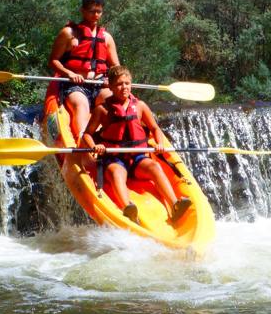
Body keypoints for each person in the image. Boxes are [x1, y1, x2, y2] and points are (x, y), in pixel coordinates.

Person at [80, 65, 192, 224]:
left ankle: (175, 204)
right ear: (110, 86)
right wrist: (95, 147)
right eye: (119, 84)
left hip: (137, 158)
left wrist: (159, 143)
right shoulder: (102, 109)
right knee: (115, 173)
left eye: (126, 83)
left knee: (154, 167)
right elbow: (87, 134)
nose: (123, 87)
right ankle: (128, 208)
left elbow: (155, 128)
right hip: (114, 158)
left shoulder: (140, 106)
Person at [49, 0, 119, 137]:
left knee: (114, 103)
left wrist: (111, 79)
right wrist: (70, 74)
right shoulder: (69, 33)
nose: (96, 15)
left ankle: (115, 138)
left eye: (99, 11)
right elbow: (53, 60)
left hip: (99, 84)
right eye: (92, 11)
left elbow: (116, 67)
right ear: (83, 11)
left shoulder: (106, 38)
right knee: (81, 105)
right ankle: (83, 142)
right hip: (74, 84)